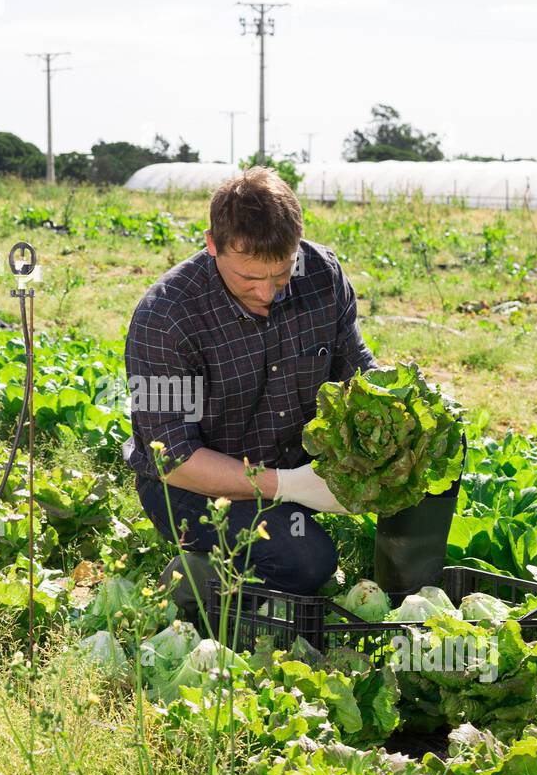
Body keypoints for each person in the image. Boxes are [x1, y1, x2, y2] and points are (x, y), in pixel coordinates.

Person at [124, 167, 462, 600]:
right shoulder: (167, 316)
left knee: (432, 440)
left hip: (297, 459)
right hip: (192, 489)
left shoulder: (320, 273)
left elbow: (358, 378)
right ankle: (197, 579)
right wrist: (287, 486)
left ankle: (404, 596)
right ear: (212, 244)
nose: (267, 293)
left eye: (280, 276)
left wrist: (396, 431)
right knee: (307, 562)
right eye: (249, 279)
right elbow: (175, 461)